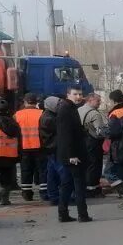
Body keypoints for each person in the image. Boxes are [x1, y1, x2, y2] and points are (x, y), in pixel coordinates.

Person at [51, 86, 91, 223]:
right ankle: (82, 214)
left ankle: (63, 213)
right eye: (75, 94)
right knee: (79, 185)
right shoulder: (66, 110)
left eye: (80, 94)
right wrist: (71, 155)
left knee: (67, 184)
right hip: (73, 155)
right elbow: (66, 135)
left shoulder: (70, 108)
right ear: (68, 94)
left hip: (70, 154)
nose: (79, 97)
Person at [14, 95, 47, 202]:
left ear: (24, 102)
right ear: (36, 101)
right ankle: (44, 192)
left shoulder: (17, 115)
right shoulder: (42, 113)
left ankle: (27, 193)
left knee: (26, 170)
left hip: (24, 147)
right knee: (42, 170)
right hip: (40, 147)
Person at [81, 92, 107, 196]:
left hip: (82, 141)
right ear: (90, 100)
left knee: (85, 165)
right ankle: (93, 189)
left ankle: (85, 187)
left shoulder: (79, 110)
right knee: (94, 165)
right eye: (98, 100)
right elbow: (100, 132)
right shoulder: (94, 114)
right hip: (93, 143)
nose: (100, 103)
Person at [39, 95, 62, 208]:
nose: (60, 106)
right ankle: (56, 196)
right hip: (54, 148)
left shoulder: (48, 115)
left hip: (50, 148)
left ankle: (53, 196)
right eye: (58, 104)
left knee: (52, 172)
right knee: (58, 172)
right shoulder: (50, 118)